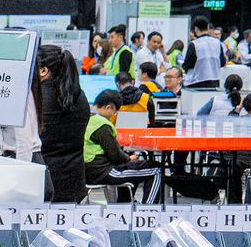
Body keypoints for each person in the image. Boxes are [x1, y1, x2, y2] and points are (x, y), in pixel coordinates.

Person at [34, 43, 89, 202]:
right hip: (75, 181)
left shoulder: (37, 98)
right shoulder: (79, 95)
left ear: (43, 71)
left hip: (45, 183)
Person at [84, 89, 160, 199]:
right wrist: (128, 158)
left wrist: (127, 160)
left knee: (132, 169)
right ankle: (148, 211)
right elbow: (115, 156)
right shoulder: (101, 125)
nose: (114, 115)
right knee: (156, 169)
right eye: (115, 111)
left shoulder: (85, 118)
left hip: (88, 171)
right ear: (108, 107)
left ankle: (124, 205)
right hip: (103, 172)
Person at [180, 15, 223, 106]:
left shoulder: (194, 44)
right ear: (208, 27)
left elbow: (188, 65)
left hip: (196, 83)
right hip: (214, 82)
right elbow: (222, 62)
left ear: (195, 29)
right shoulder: (217, 43)